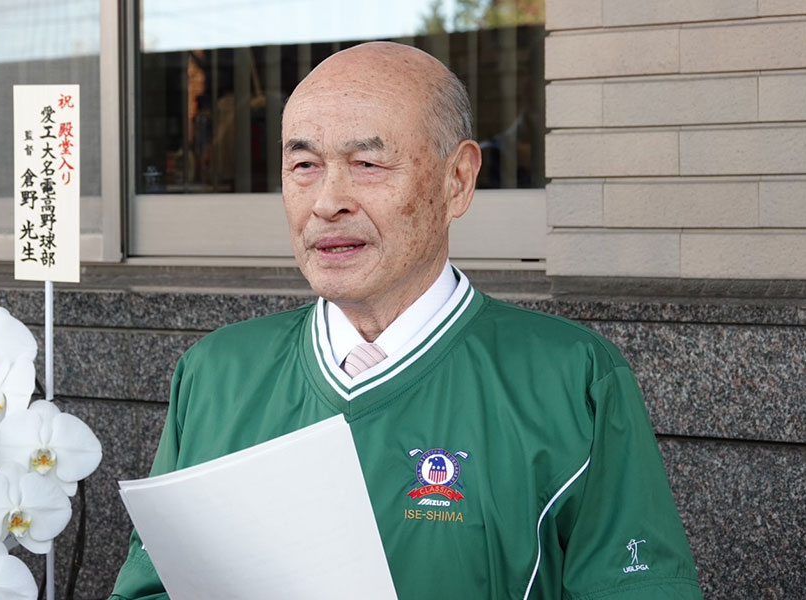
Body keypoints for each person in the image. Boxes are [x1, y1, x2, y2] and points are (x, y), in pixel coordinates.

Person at [111, 42, 702, 599]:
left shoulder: (572, 379)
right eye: (304, 166)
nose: (327, 202)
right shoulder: (215, 375)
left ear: (457, 181)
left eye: (368, 162)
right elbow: (152, 586)